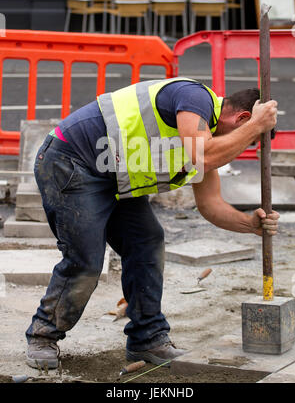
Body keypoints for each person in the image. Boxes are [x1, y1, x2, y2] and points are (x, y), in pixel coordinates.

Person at [25, 77, 279, 369]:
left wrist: (250, 224)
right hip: (72, 160)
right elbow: (204, 155)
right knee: (86, 261)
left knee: (146, 243)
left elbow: (211, 206)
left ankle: (148, 340)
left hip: (114, 180)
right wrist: (257, 127)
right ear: (243, 118)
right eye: (245, 139)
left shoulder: (207, 140)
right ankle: (43, 336)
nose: (237, 149)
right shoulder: (195, 98)